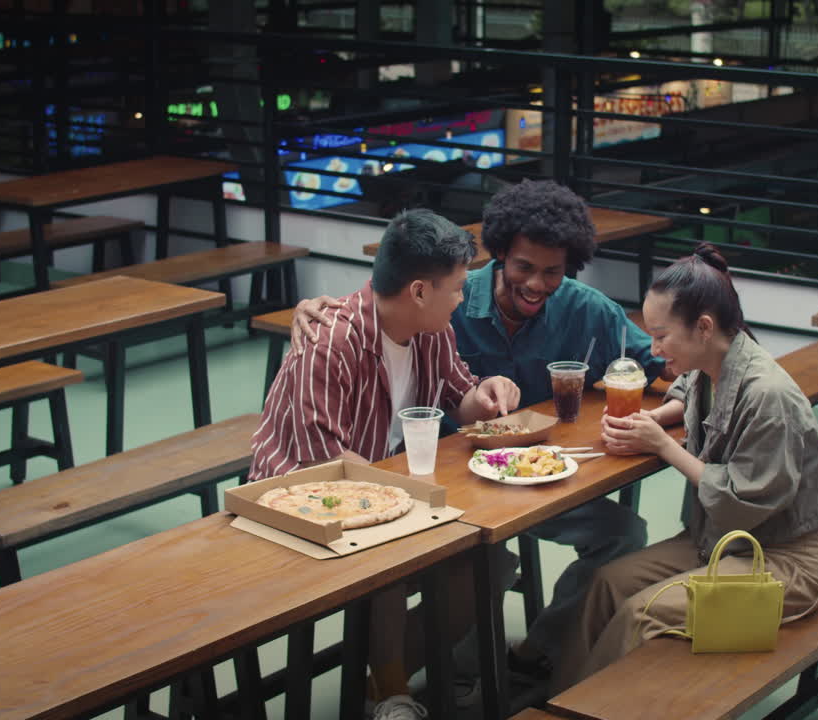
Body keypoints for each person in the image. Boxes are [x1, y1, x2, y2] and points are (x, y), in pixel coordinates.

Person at [290, 180, 680, 687]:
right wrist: (310, 309)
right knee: (486, 562)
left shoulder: (587, 310)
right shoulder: (448, 302)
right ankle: (457, 672)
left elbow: (663, 359)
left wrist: (692, 393)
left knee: (624, 533)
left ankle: (536, 651)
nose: (537, 284)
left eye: (552, 272)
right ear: (499, 255)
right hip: (450, 482)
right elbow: (383, 306)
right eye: (524, 267)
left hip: (538, 477)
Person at [251, 208, 521, 720]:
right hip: (295, 502)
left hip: (381, 493)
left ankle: (383, 676)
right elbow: (321, 464)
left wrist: (481, 398)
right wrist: (405, 494)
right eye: (458, 288)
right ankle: (394, 693)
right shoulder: (330, 342)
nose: (464, 298)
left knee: (488, 564)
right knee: (394, 563)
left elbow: (457, 392)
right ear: (419, 290)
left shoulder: (430, 327)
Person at [551, 243, 818, 694]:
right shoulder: (715, 363)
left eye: (661, 336)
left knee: (641, 611)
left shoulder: (769, 394)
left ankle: (604, 705)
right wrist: (655, 418)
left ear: (704, 328)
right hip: (721, 543)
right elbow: (687, 389)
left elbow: (742, 505)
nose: (652, 349)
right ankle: (563, 698)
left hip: (785, 559)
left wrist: (664, 448)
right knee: (606, 583)